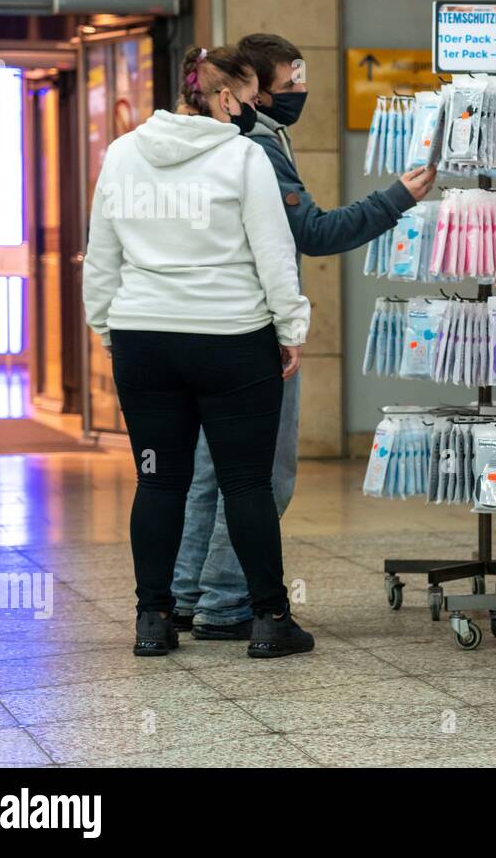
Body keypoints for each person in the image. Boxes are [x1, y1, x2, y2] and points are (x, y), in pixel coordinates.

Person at [170, 32, 436, 640]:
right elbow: (309, 233)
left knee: (208, 471)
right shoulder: (257, 145)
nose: (301, 92)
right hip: (254, 330)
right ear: (250, 90)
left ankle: (185, 595)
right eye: (291, 83)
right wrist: (393, 199)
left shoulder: (190, 142)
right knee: (264, 474)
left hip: (197, 327)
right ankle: (226, 601)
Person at [83, 46, 315, 659]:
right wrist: (291, 328)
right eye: (243, 99)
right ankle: (268, 621)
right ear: (224, 98)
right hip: (232, 341)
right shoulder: (242, 157)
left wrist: (109, 328)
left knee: (158, 482)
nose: (249, 110)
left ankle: (153, 621)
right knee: (246, 484)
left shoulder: (122, 153)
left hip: (144, 342)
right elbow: (273, 253)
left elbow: (101, 253)